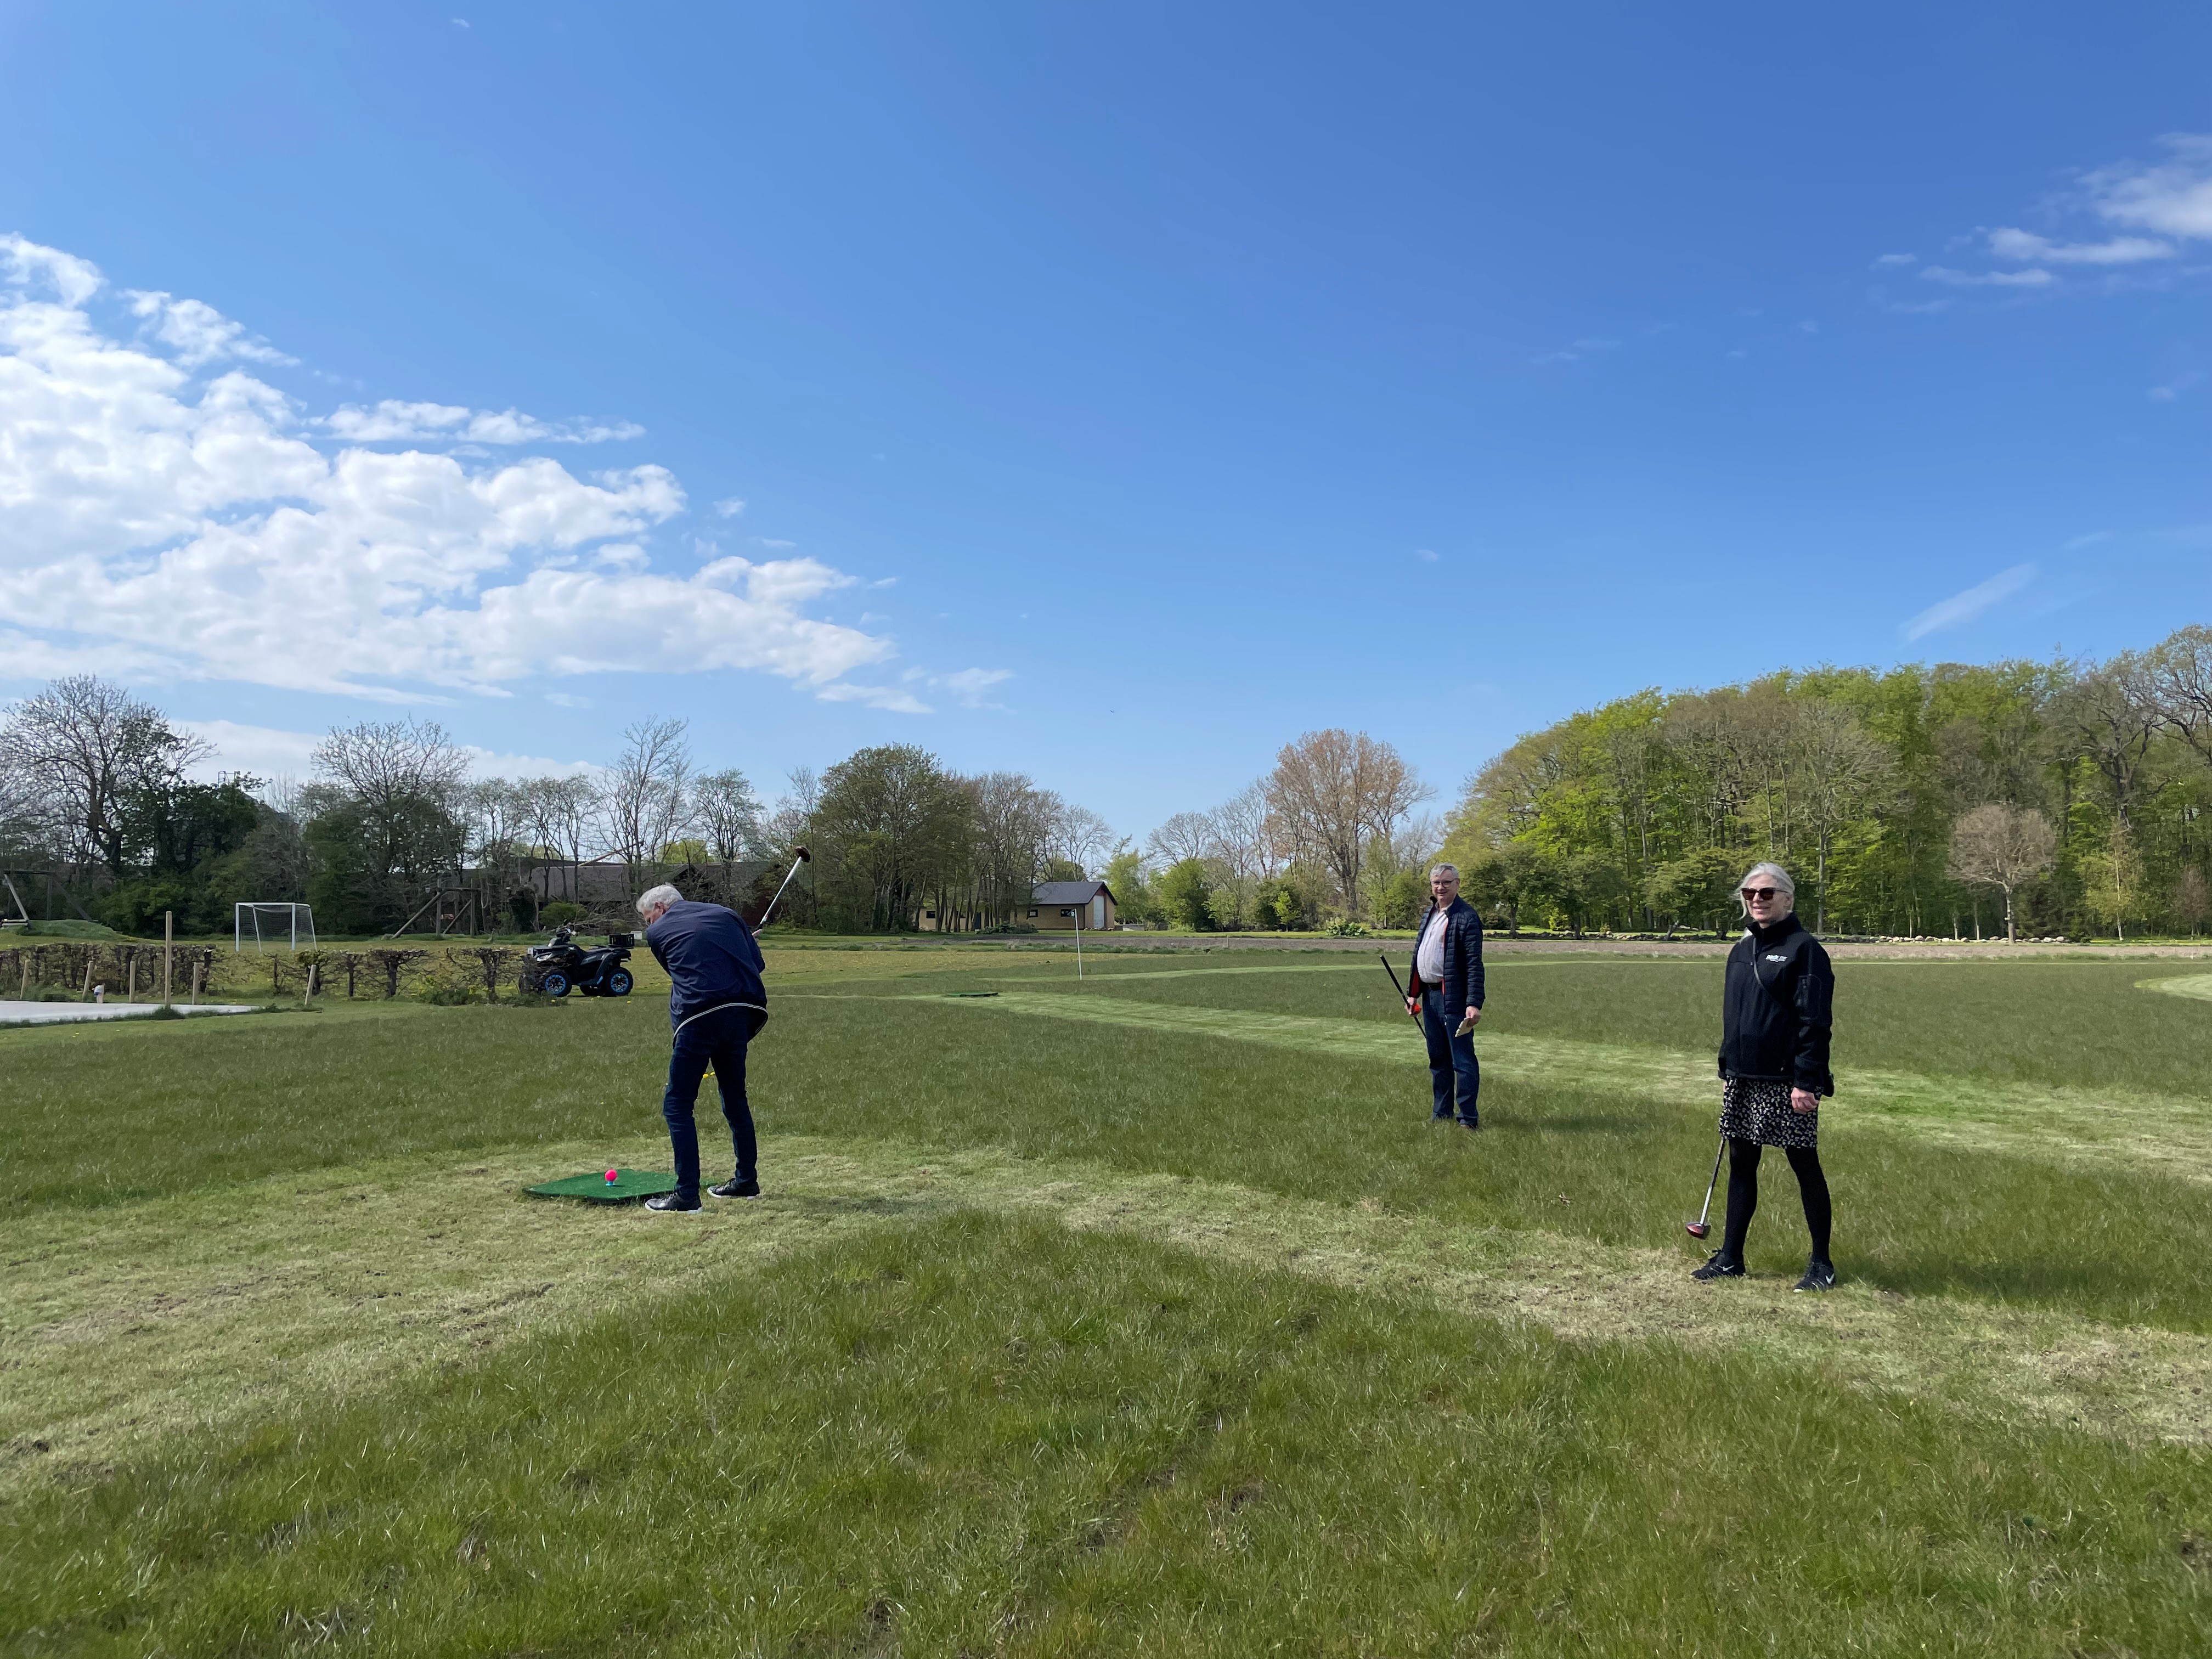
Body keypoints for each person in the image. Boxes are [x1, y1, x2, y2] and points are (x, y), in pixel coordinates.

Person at [1693, 861, 1837, 1290]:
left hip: (1788, 1081)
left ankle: (1822, 1264)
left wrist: (1806, 1080)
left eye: (1767, 893)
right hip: (1743, 1076)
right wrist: (1727, 1062)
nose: (1757, 899)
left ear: (1787, 899)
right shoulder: (1741, 950)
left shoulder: (1804, 950)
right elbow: (1735, 1015)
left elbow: (1815, 1022)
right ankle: (1731, 1258)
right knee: (1742, 1164)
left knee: (1804, 1164)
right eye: (1750, 893)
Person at [635, 883, 769, 1213]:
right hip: (742, 1012)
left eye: (648, 918)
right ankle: (746, 1181)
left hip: (699, 1017)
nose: (649, 926)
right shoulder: (728, 914)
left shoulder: (657, 933)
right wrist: (742, 943)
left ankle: (686, 1196)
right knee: (735, 1098)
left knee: (677, 1105)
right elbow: (756, 965)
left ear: (660, 909)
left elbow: (682, 969)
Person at [1404, 862, 1485, 1128]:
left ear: (1457, 884)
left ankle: (1468, 1119)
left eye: (1447, 882)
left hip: (1454, 999)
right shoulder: (1430, 914)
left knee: (1462, 1061)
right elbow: (1420, 955)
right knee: (1438, 1060)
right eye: (1436, 882)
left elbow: (1474, 964)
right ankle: (1441, 1114)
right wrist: (1413, 994)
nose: (1441, 887)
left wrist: (1473, 1003)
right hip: (1430, 998)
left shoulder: (1467, 917)